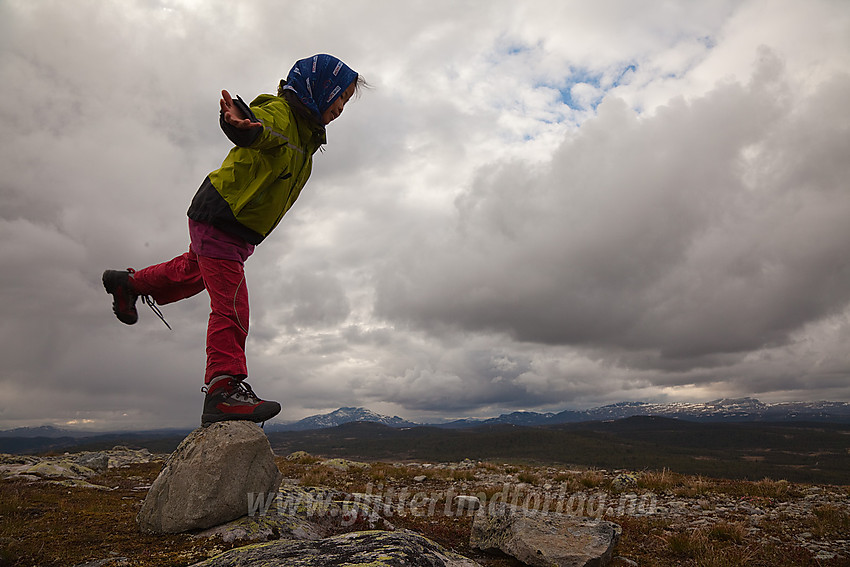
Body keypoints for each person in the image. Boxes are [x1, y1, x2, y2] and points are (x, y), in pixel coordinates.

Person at [103, 54, 364, 426]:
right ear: (318, 88)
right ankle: (223, 390)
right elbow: (262, 127)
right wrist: (243, 125)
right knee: (232, 305)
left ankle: (127, 284)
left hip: (233, 227)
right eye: (340, 96)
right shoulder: (282, 115)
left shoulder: (306, 137)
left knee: (190, 273)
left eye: (347, 101)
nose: (341, 107)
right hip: (222, 218)